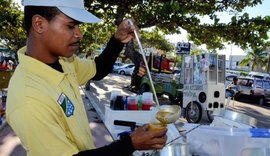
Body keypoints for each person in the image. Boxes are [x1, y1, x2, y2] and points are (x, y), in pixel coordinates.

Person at [6, 0, 167, 156]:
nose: (79, 34)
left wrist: (117, 40)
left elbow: (98, 69)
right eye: (71, 26)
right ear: (39, 24)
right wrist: (130, 144)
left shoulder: (64, 61)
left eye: (78, 26)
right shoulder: (27, 98)